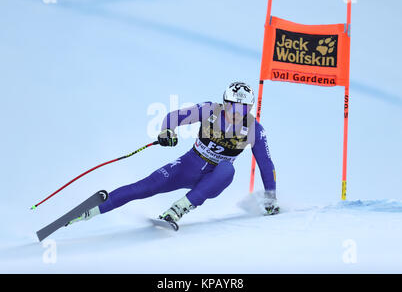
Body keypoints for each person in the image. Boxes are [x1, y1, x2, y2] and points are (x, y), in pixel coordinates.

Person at [67, 81, 279, 228]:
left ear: (250, 109)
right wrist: (167, 131)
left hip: (213, 180)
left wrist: (270, 197)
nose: (235, 113)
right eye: (232, 107)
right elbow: (174, 117)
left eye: (242, 109)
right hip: (188, 165)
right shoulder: (209, 110)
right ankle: (89, 212)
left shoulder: (255, 130)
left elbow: (266, 165)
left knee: (227, 168)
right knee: (145, 187)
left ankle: (179, 209)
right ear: (224, 103)